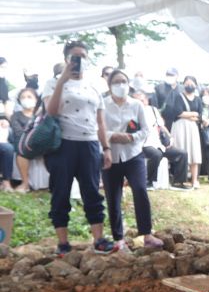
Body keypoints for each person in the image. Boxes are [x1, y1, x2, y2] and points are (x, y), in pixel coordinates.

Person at [42, 40, 115, 256]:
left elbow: (100, 122)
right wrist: (62, 80)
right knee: (60, 192)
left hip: (90, 145)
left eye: (83, 56)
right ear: (66, 59)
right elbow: (51, 111)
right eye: (75, 56)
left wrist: (106, 148)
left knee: (92, 192)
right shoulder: (53, 82)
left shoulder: (94, 86)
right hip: (62, 145)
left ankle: (99, 239)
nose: (79, 60)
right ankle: (63, 243)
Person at [102, 70, 163, 251]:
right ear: (109, 85)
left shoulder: (136, 105)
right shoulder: (103, 105)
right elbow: (97, 129)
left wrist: (132, 138)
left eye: (124, 81)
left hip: (133, 154)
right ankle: (118, 237)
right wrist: (113, 136)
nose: (121, 85)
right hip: (110, 156)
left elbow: (145, 129)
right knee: (113, 196)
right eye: (117, 82)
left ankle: (147, 234)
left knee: (140, 189)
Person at [132, 91, 190, 190]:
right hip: (143, 145)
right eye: (138, 101)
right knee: (156, 154)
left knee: (182, 153)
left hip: (159, 143)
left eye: (142, 100)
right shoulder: (132, 113)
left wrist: (170, 137)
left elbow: (162, 126)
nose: (141, 103)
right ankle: (148, 182)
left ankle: (178, 183)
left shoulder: (153, 110)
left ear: (146, 100)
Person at [162, 75, 203, 188]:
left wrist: (190, 115)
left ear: (195, 84)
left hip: (193, 129)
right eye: (187, 82)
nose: (189, 85)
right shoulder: (178, 97)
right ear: (183, 84)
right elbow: (178, 112)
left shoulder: (198, 99)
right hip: (180, 127)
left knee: (194, 152)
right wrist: (193, 114)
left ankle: (195, 180)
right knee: (180, 151)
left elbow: (200, 115)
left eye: (192, 83)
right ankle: (179, 179)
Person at [10, 88, 39, 193]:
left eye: (29, 97)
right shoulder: (16, 116)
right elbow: (18, 132)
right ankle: (25, 183)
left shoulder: (41, 115)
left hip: (41, 143)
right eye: (23, 97)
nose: (26, 99)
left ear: (36, 99)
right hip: (24, 143)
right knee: (21, 152)